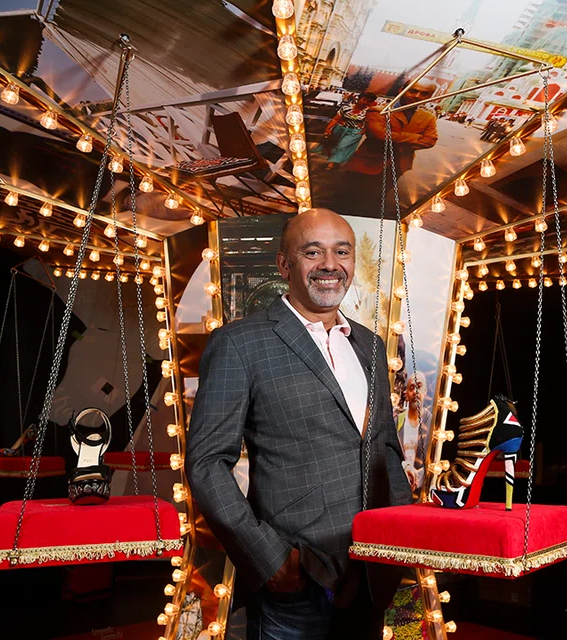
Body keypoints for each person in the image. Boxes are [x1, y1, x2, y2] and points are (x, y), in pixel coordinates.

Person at [186, 208, 411, 640]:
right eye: (313, 252)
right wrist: (268, 557)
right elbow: (207, 463)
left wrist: (400, 538)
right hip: (296, 578)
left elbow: (384, 450)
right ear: (284, 264)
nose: (331, 264)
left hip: (370, 572)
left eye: (341, 251)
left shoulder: (369, 344)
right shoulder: (239, 343)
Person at [333, 80, 438, 216]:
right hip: (365, 165)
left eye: (424, 93)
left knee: (373, 203)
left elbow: (430, 141)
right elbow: (379, 135)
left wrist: (395, 137)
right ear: (401, 90)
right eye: (413, 90)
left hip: (398, 166)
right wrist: (417, 137)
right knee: (345, 200)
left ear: (430, 96)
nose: (417, 96)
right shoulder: (378, 111)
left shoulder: (428, 117)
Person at [319, 92, 377, 170]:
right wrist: (328, 129)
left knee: (342, 146)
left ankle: (332, 163)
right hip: (340, 128)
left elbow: (371, 122)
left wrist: (364, 130)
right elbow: (336, 118)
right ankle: (335, 160)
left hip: (355, 132)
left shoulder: (369, 112)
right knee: (334, 145)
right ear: (359, 98)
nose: (365, 102)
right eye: (364, 100)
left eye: (369, 101)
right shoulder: (346, 107)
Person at [397, 372, 430, 495]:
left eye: (419, 387)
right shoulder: (397, 421)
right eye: (412, 388)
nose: (415, 392)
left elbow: (434, 460)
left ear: (425, 391)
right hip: (399, 486)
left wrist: (416, 478)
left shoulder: (432, 423)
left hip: (421, 490)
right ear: (406, 394)